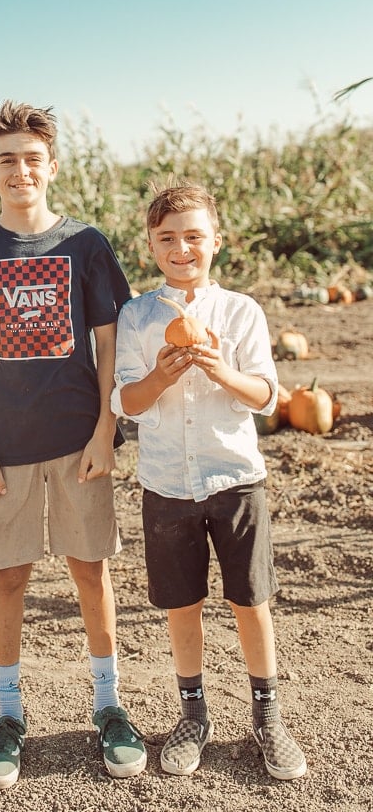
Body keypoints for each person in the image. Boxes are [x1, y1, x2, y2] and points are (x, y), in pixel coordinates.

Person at [0, 100, 146, 790]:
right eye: (6, 160)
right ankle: (9, 714)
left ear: (51, 167)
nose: (20, 170)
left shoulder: (85, 246)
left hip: (79, 441)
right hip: (7, 447)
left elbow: (110, 343)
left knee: (90, 569)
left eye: (32, 158)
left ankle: (109, 705)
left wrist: (106, 431)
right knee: (10, 577)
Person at [111, 183, 307, 781]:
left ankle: (267, 714)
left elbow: (268, 397)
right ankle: (192, 713)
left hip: (235, 478)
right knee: (182, 604)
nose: (182, 248)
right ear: (151, 246)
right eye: (167, 239)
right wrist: (159, 379)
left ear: (216, 242)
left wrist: (222, 369)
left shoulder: (242, 311)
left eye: (194, 236)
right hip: (167, 482)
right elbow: (126, 402)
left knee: (250, 598)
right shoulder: (138, 315)